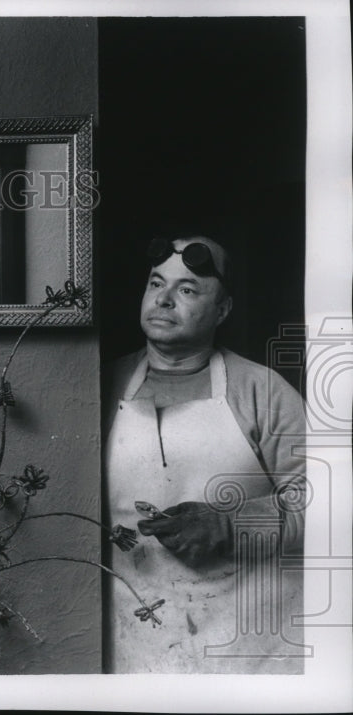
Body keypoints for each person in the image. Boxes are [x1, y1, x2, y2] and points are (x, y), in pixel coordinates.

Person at [102, 235, 306, 674]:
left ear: (223, 310)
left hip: (250, 651)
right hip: (137, 649)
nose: (164, 299)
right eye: (156, 283)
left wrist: (231, 526)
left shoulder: (263, 392)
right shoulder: (99, 387)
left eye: (188, 289)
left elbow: (329, 506)